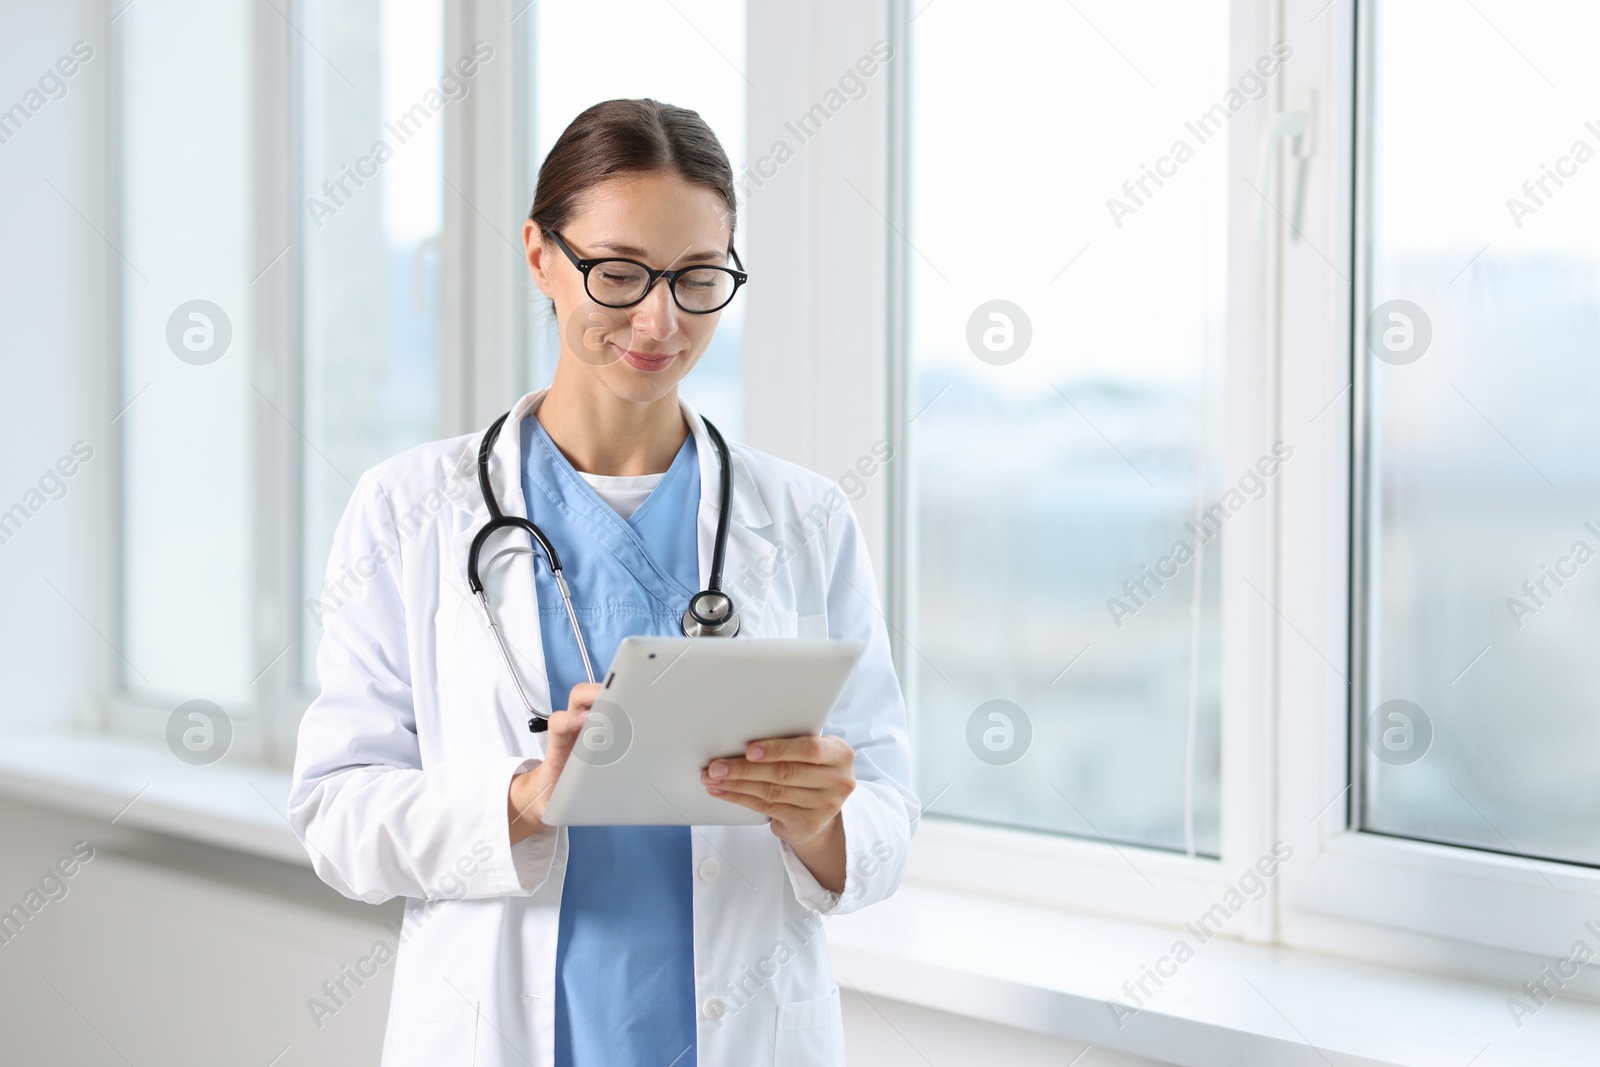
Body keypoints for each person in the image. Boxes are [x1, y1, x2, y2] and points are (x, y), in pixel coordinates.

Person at [288, 98, 917, 1067]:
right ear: (540, 255)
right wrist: (527, 795)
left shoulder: (805, 518)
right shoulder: (408, 508)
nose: (658, 318)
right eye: (618, 272)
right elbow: (337, 817)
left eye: (698, 277)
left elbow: (884, 812)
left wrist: (820, 814)